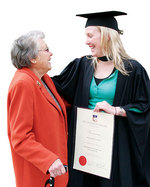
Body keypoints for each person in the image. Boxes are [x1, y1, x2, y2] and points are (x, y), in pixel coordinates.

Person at [52, 11, 150, 187]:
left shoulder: (132, 70)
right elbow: (54, 88)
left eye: (90, 35)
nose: (86, 41)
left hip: (114, 148)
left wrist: (116, 110)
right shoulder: (82, 65)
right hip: (84, 144)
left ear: (106, 35)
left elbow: (145, 106)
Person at [7, 31, 68, 187]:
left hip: (56, 174)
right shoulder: (23, 83)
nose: (51, 53)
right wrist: (48, 160)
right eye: (46, 50)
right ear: (32, 58)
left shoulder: (43, 79)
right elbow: (20, 138)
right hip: (40, 176)